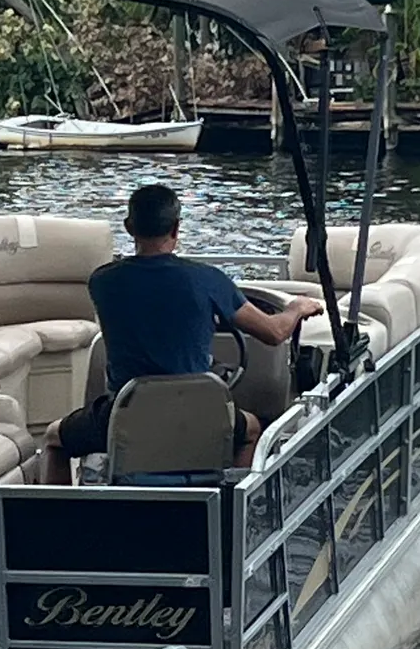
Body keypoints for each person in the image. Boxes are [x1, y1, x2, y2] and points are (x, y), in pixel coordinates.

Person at [43, 183, 306, 483]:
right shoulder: (208, 280)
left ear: (129, 227)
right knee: (252, 429)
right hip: (197, 419)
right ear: (177, 228)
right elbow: (274, 333)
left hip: (124, 417)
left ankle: (57, 523)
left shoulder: (103, 281)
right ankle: (230, 509)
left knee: (55, 439)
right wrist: (297, 308)